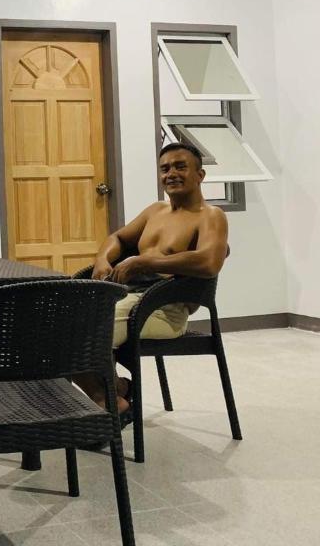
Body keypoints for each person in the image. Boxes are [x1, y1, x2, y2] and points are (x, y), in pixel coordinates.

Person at [77, 142, 229, 412]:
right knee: (60, 326)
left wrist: (146, 262)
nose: (171, 173)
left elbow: (209, 261)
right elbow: (118, 238)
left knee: (82, 336)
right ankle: (116, 393)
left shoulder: (211, 216)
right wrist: (102, 260)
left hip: (162, 309)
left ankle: (109, 403)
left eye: (181, 166)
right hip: (126, 298)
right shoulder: (155, 211)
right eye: (165, 168)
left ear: (200, 175)